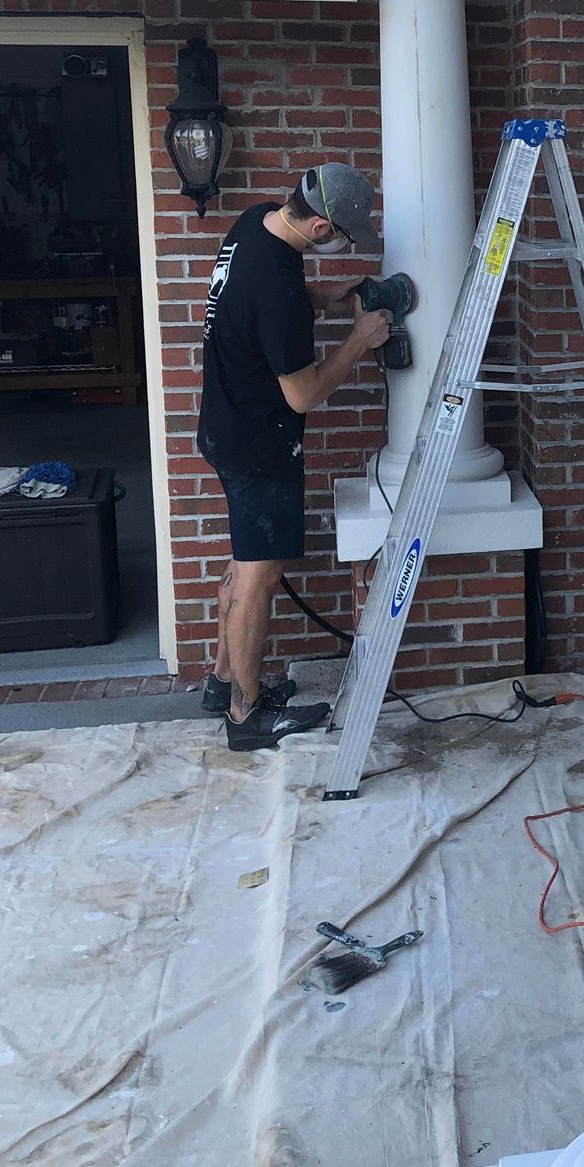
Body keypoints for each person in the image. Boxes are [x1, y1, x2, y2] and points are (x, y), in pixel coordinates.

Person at [196, 163, 392, 750]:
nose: (340, 246)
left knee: (244, 560)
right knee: (259, 574)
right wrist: (359, 340)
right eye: (342, 236)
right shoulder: (276, 290)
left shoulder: (257, 223)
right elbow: (303, 394)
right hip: (259, 444)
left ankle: (222, 681)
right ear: (323, 223)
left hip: (225, 428)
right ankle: (245, 717)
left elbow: (269, 301)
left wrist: (329, 295)